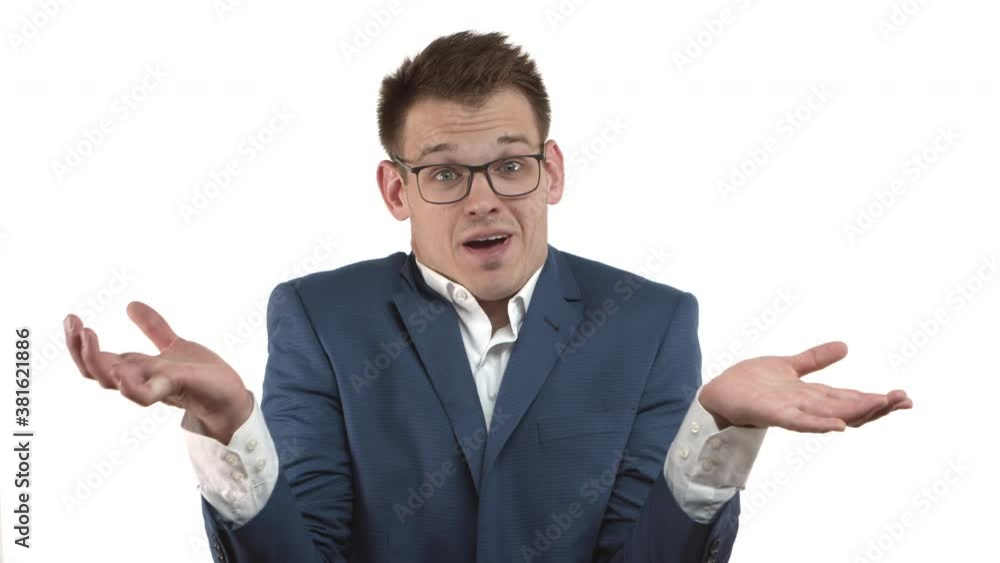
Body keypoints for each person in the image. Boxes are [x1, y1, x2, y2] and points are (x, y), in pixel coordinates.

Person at [63, 30, 912, 563]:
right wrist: (229, 424)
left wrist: (718, 426)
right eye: (444, 174)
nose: (483, 200)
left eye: (510, 165)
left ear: (552, 171)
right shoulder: (320, 318)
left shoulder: (651, 322)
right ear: (396, 190)